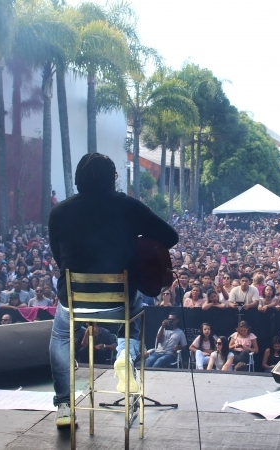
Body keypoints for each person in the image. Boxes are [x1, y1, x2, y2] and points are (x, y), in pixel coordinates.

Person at [48, 152, 178, 427]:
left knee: (61, 336)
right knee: (135, 314)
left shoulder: (58, 211)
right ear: (113, 178)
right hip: (119, 301)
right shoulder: (128, 205)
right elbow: (170, 236)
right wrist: (137, 240)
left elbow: (59, 259)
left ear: (77, 179)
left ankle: (64, 406)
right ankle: (123, 357)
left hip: (75, 300)